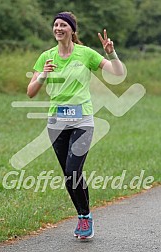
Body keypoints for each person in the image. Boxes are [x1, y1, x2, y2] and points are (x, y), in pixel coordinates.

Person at [27, 11, 124, 239]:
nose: (58, 28)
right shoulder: (46, 57)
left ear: (72, 29)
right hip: (56, 124)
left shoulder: (85, 54)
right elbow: (30, 92)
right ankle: (83, 216)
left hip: (82, 122)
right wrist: (42, 75)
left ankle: (85, 217)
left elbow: (118, 74)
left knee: (73, 170)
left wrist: (112, 54)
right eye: (56, 25)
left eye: (63, 25)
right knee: (69, 176)